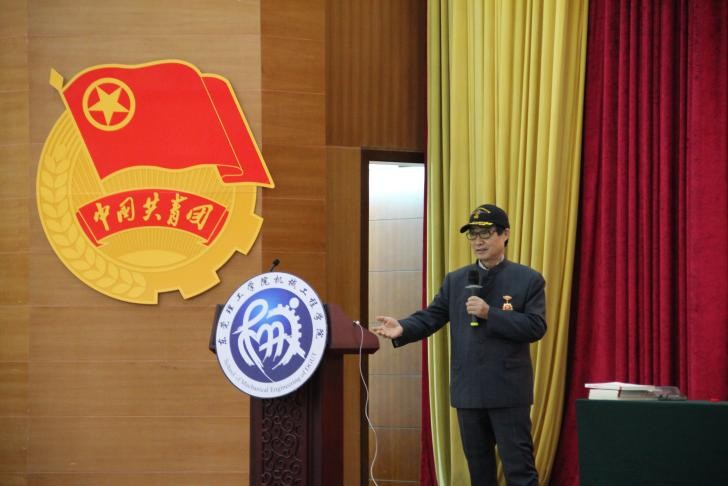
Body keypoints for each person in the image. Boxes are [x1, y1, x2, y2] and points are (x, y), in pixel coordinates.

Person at [373, 203, 546, 486]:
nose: (478, 241)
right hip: (469, 390)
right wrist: (404, 327)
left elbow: (536, 326)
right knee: (479, 473)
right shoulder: (456, 280)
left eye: (485, 233)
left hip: (508, 391)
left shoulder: (527, 279)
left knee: (520, 472)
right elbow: (432, 316)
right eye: (472, 234)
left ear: (505, 234)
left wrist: (490, 313)